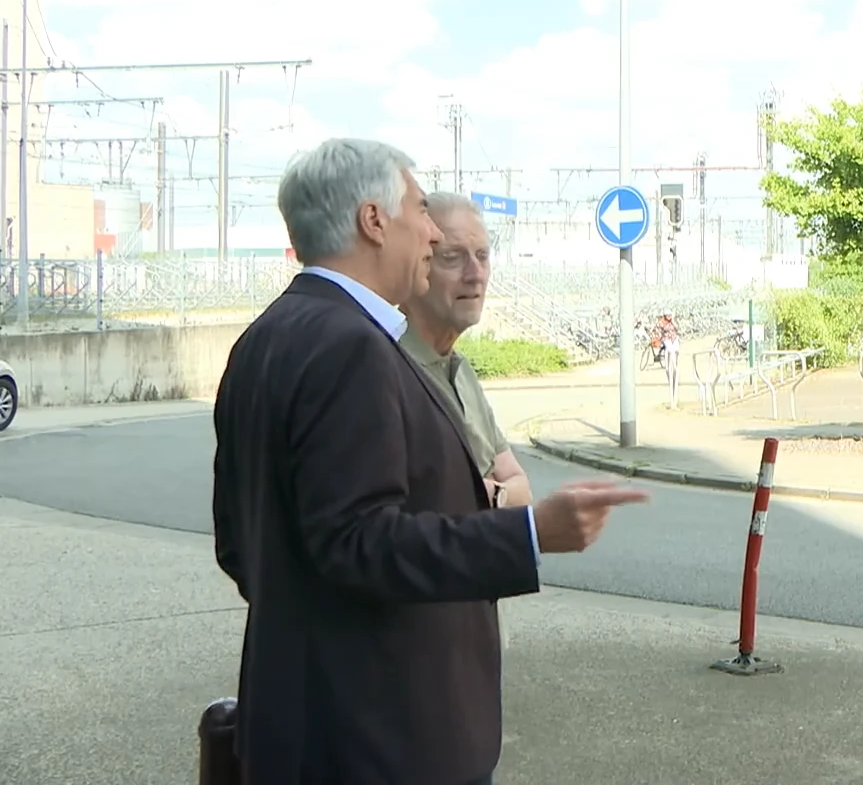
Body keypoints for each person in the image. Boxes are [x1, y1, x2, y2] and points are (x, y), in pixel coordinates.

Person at [211, 138, 648, 785]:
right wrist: (528, 533)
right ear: (373, 220)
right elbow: (357, 541)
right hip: (382, 736)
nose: (429, 230)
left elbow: (239, 545)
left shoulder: (267, 337)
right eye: (421, 211)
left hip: (304, 722)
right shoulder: (351, 349)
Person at [399, 192, 530, 508]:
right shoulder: (387, 371)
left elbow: (522, 487)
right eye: (452, 257)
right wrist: (497, 494)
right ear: (416, 265)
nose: (475, 274)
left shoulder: (460, 370)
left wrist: (483, 495)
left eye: (482, 256)